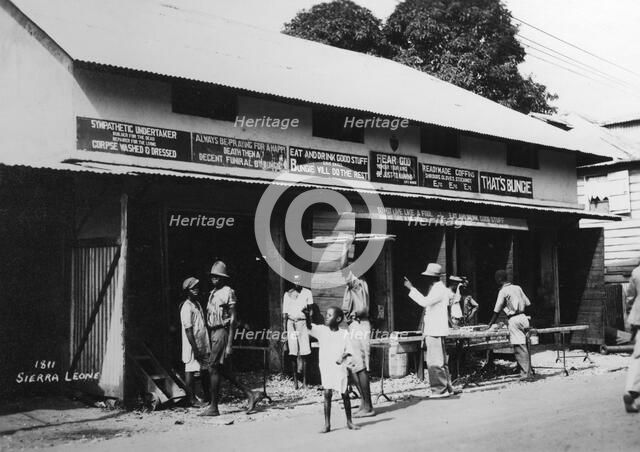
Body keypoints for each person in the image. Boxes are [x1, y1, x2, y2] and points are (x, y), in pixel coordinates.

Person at [201, 260, 265, 416]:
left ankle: (214, 407)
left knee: (213, 368)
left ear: (223, 278)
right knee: (220, 369)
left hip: (222, 332)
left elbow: (233, 318)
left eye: (217, 277)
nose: (214, 279)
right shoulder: (212, 293)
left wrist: (230, 343)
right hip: (213, 332)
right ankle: (251, 394)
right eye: (213, 277)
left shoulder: (228, 291)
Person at [404, 263, 458, 398]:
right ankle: (447, 387)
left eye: (428, 276)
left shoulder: (438, 290)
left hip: (434, 330)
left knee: (435, 362)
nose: (426, 279)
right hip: (437, 329)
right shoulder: (440, 289)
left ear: (432, 277)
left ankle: (440, 390)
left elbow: (424, 302)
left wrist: (411, 289)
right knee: (441, 362)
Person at [303, 305, 360, 433]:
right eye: (326, 315)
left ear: (338, 318)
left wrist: (342, 356)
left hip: (340, 368)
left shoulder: (344, 333)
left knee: (345, 393)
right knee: (327, 394)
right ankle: (327, 424)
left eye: (329, 315)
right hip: (326, 367)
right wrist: (307, 316)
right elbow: (309, 327)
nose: (326, 317)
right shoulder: (322, 330)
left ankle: (349, 422)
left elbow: (349, 350)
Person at [487, 270, 532, 381]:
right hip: (523, 317)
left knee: (519, 347)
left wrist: (490, 324)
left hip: (514, 319)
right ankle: (526, 371)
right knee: (526, 345)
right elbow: (528, 303)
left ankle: (526, 374)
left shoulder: (503, 291)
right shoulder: (518, 287)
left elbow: (496, 310)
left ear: (499, 279)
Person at [342, 270, 374, 417]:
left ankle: (368, 406)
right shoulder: (357, 284)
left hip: (359, 324)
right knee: (354, 365)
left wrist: (344, 247)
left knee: (360, 366)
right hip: (354, 324)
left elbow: (342, 268)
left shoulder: (357, 283)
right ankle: (364, 403)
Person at [179, 277, 211, 406]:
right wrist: (195, 348)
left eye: (197, 287)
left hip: (202, 342)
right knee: (190, 370)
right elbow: (188, 330)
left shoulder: (196, 304)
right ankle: (191, 399)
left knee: (204, 370)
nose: (196, 290)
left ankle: (207, 396)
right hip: (192, 344)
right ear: (187, 291)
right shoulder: (186, 307)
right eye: (193, 288)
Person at [283, 274, 314, 387]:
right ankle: (295, 381)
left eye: (299, 281)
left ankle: (305, 381)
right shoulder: (288, 294)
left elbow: (311, 311)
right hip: (291, 323)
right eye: (295, 281)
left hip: (302, 323)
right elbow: (285, 314)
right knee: (293, 352)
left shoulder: (307, 293)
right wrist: (285, 330)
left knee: (305, 352)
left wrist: (309, 319)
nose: (297, 283)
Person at [623, 264, 640, 412]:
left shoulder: (636, 271)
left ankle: (630, 390)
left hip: (639, 318)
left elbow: (630, 296)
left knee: (638, 355)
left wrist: (630, 314)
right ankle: (633, 390)